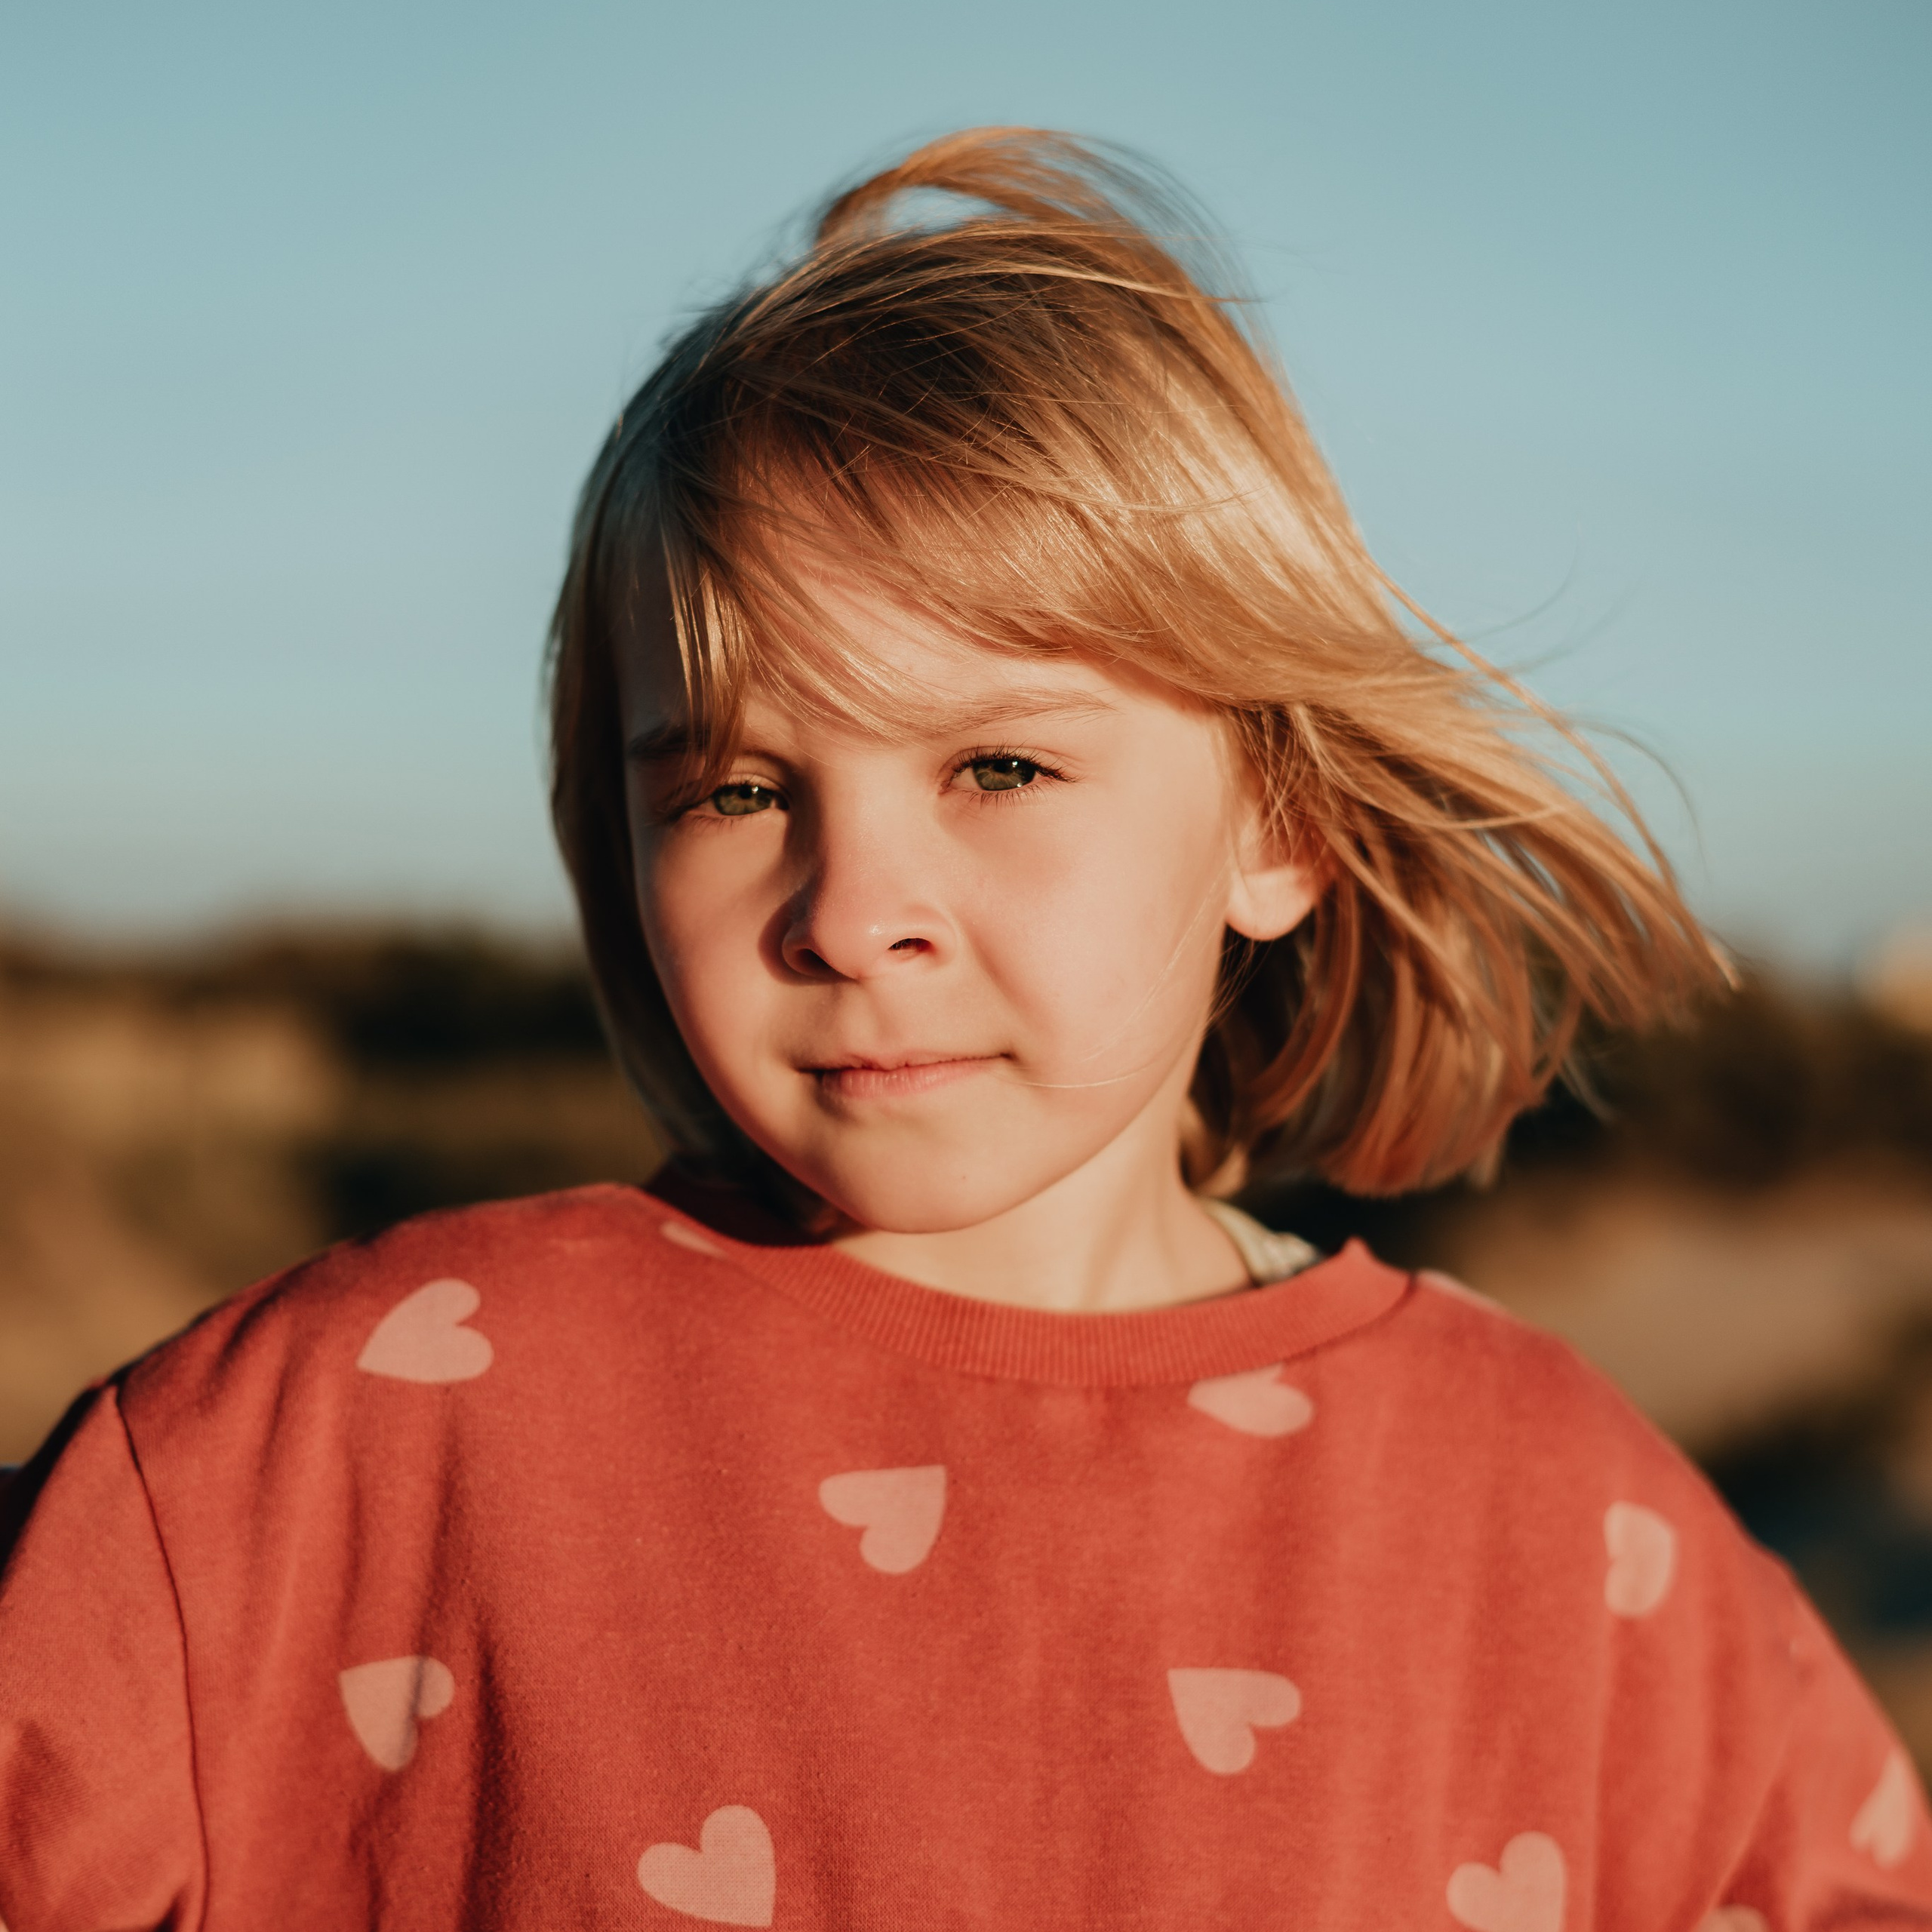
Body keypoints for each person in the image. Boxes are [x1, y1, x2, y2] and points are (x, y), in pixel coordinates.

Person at [0, 127, 1924, 1931]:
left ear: (1280, 825)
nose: (849, 909)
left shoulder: (1547, 1513)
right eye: (738, 790)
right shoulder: (348, 1432)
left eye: (998, 762)